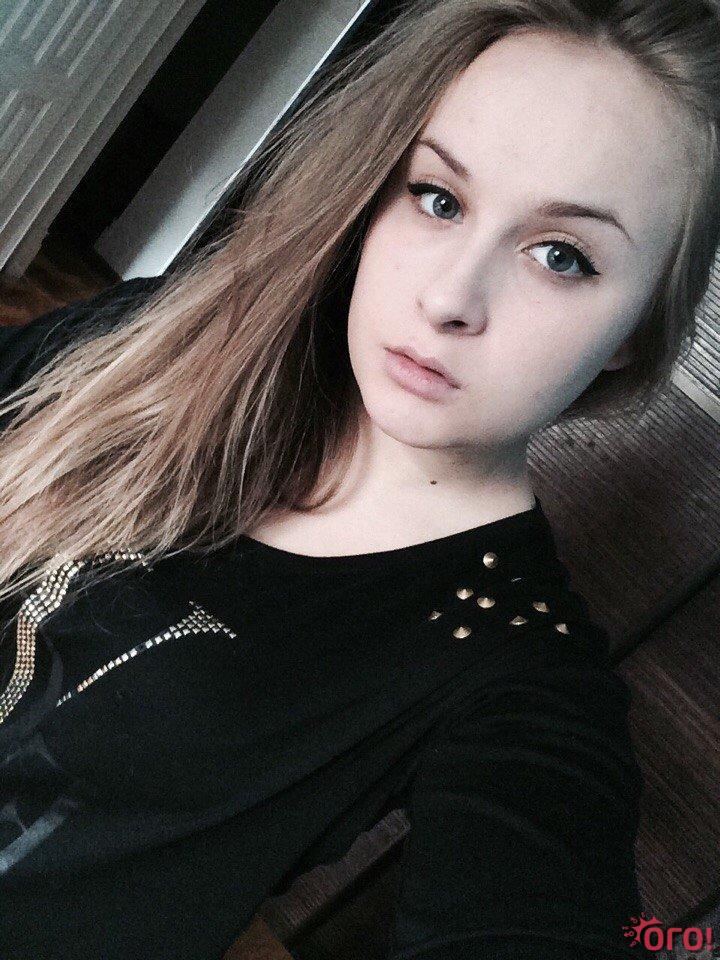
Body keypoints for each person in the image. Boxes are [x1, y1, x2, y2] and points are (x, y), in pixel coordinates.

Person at [0, 0, 717, 956]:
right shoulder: (159, 337)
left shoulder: (512, 670)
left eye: (562, 257)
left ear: (636, 327)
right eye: (439, 198)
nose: (449, 297)